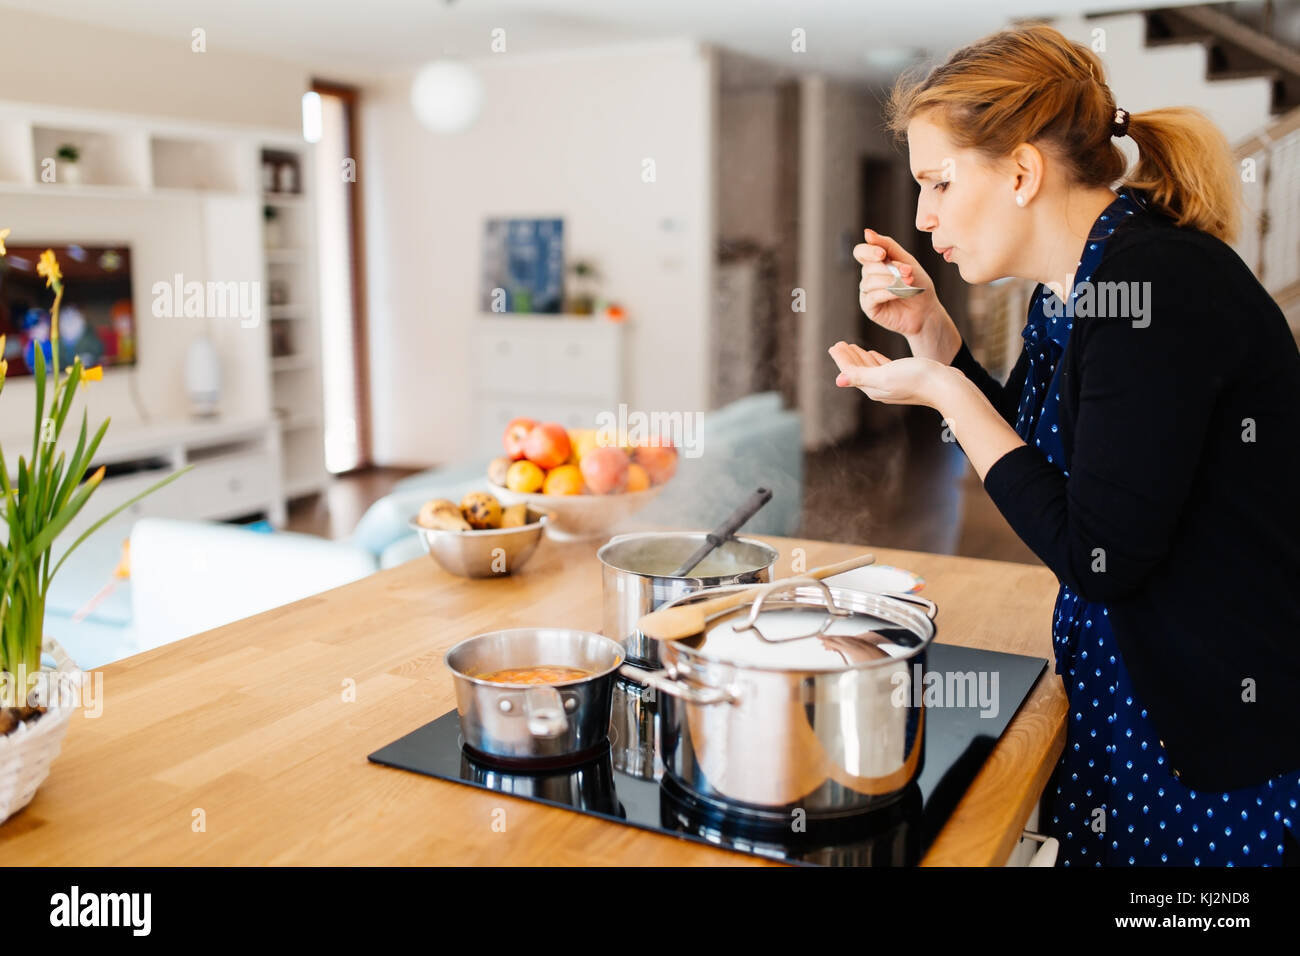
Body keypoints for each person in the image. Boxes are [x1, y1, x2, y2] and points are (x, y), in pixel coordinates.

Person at [828, 23, 1300, 866]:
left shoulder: (1148, 284)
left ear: (1021, 171)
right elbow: (1057, 458)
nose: (922, 215)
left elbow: (1101, 553)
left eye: (937, 183)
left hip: (1214, 721)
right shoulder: (1076, 285)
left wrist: (941, 389)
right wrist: (936, 340)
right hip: (1137, 686)